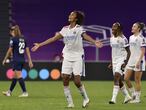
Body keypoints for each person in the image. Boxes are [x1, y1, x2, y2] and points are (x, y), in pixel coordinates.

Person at [31, 10, 103, 108]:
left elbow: (85, 36)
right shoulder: (65, 29)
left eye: (72, 15)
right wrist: (40, 44)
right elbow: (53, 39)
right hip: (67, 56)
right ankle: (70, 103)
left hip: (78, 56)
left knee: (77, 81)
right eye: (70, 14)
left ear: (76, 19)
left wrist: (94, 42)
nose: (70, 15)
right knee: (64, 78)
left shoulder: (78, 29)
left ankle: (86, 99)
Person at [2, 25, 33, 97]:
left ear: (14, 31)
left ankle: (25, 92)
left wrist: (5, 59)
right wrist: (30, 61)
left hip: (16, 60)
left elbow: (9, 50)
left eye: (11, 30)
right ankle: (9, 92)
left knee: (19, 76)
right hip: (22, 60)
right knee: (15, 76)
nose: (10, 31)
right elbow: (27, 51)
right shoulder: (23, 38)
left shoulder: (13, 39)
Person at [108, 22, 131, 104]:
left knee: (116, 76)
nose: (113, 28)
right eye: (112, 27)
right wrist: (111, 62)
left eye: (115, 27)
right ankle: (127, 96)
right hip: (115, 61)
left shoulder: (123, 39)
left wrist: (125, 62)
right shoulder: (111, 38)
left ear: (119, 29)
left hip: (122, 60)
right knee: (119, 80)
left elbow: (129, 52)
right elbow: (113, 51)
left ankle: (113, 99)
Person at [124, 22, 146, 103]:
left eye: (134, 26)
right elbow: (130, 51)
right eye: (132, 26)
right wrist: (127, 60)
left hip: (139, 60)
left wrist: (139, 61)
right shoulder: (130, 37)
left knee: (137, 80)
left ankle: (137, 99)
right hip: (131, 60)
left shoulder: (142, 38)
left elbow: (143, 51)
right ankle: (133, 94)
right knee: (126, 78)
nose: (132, 27)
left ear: (138, 28)